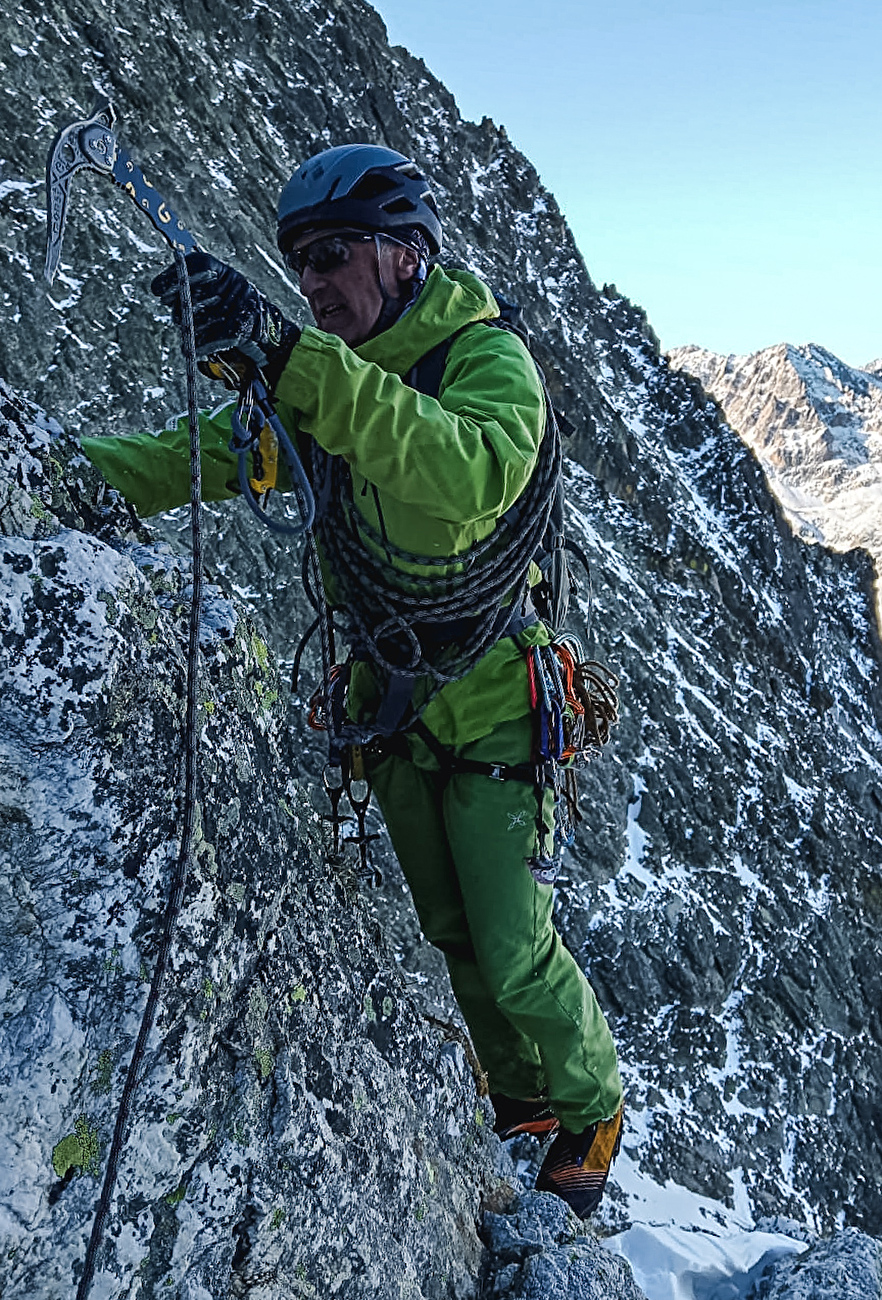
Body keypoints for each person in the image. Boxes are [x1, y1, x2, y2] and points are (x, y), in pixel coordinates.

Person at [81, 144, 624, 1218]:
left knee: (516, 948)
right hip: (393, 705)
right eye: (299, 265)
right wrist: (56, 469)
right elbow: (204, 452)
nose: (314, 281)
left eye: (332, 254)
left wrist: (291, 361)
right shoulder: (325, 387)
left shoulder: (485, 362)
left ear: (407, 251)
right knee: (454, 931)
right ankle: (518, 1097)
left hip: (498, 708)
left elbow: (461, 474)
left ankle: (592, 1101)